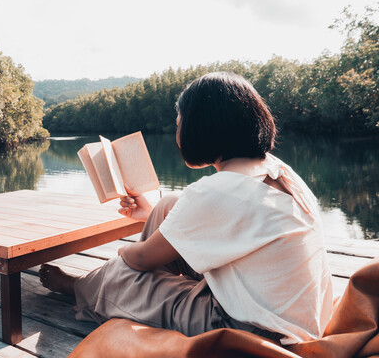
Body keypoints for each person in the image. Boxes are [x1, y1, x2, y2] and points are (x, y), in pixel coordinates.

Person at [39, 72, 333, 345]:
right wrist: (149, 214)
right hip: (295, 317)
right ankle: (107, 285)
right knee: (167, 205)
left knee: (123, 272)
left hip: (251, 331)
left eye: (179, 124)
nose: (178, 133)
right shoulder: (275, 169)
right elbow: (227, 218)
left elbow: (139, 259)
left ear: (201, 129)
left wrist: (122, 254)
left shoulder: (219, 190)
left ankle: (82, 288)